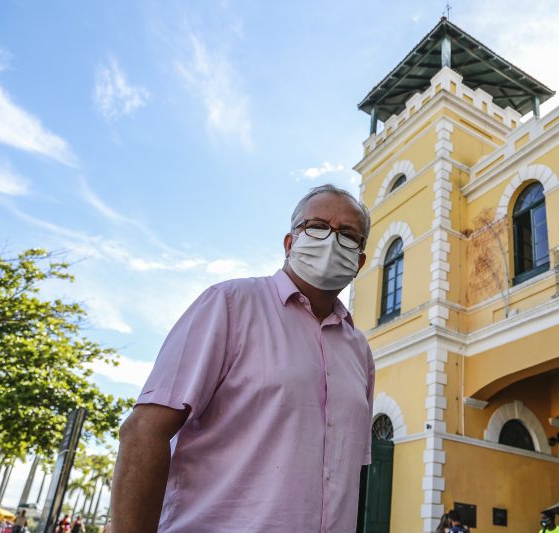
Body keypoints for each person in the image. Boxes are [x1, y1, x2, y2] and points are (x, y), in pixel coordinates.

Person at [111, 184, 375, 532]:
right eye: (318, 226)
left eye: (347, 235)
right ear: (290, 242)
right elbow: (144, 432)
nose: (330, 240)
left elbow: (352, 471)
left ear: (358, 261)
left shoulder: (359, 350)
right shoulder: (229, 304)